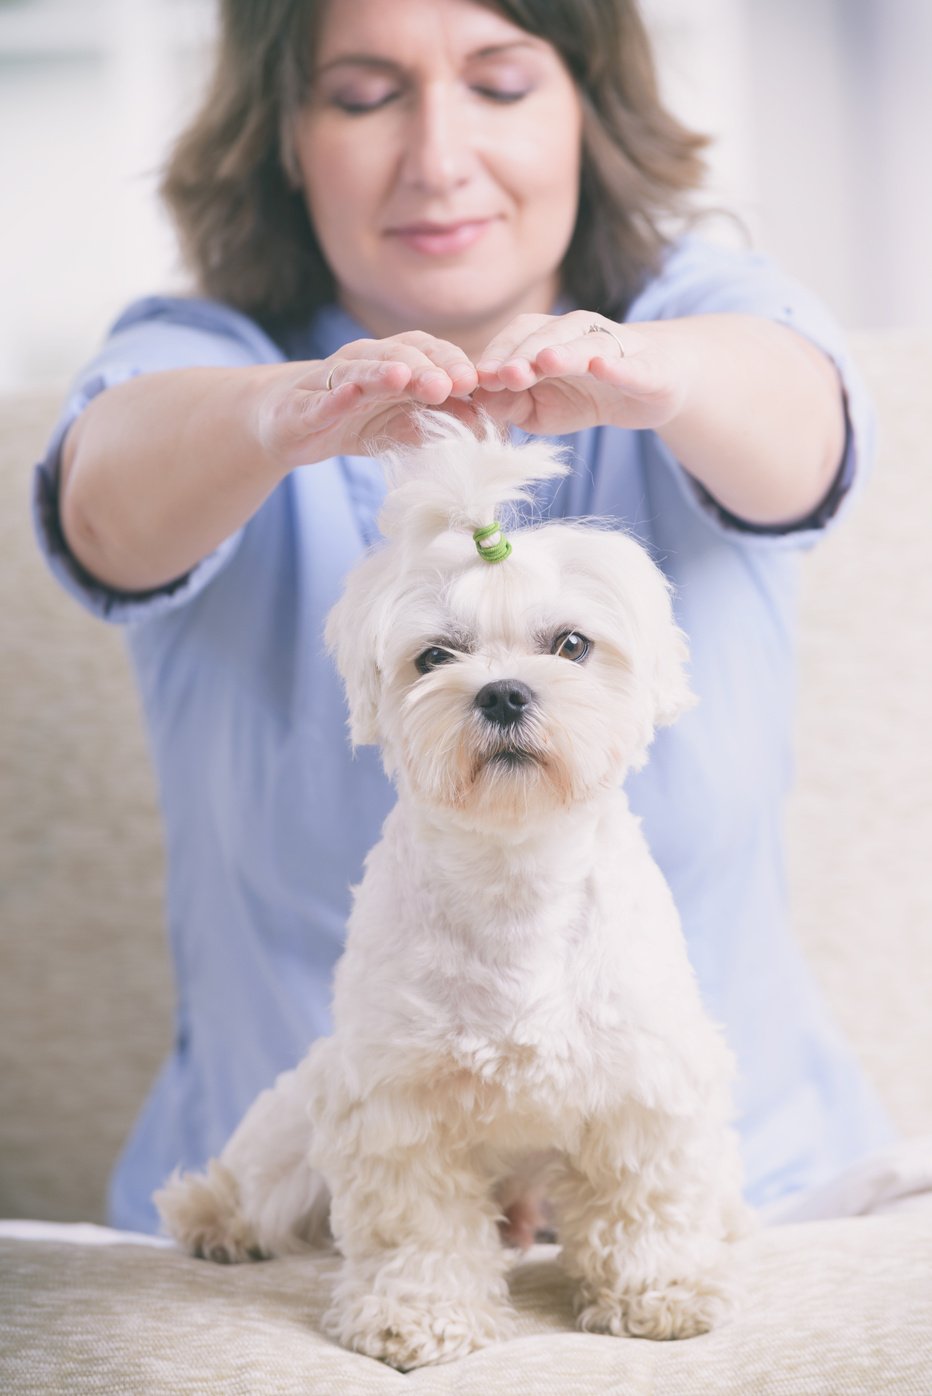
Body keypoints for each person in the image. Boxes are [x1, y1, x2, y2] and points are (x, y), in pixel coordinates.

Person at [34, 0, 892, 1236]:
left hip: (750, 1203)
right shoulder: (203, 359)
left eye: (498, 82)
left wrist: (669, 378)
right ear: (282, 137)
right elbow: (103, 503)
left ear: (588, 111)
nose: (436, 156)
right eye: (365, 94)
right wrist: (282, 417)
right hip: (307, 1237)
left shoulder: (696, 317)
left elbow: (800, 424)